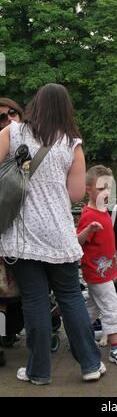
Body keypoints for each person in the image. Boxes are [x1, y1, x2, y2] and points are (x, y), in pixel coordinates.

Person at [0, 83, 104, 384]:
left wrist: (20, 170)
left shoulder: (15, 132)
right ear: (65, 109)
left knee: (34, 300)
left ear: (35, 105)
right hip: (59, 232)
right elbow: (74, 195)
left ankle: (39, 371)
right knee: (70, 296)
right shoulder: (71, 142)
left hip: (23, 234)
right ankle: (90, 364)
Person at [77, 165, 117, 366]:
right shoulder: (89, 215)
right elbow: (78, 242)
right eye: (101, 188)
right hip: (96, 272)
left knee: (92, 309)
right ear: (89, 190)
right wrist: (89, 230)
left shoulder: (104, 211)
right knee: (112, 307)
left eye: (109, 188)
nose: (106, 192)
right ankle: (116, 349)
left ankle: (78, 336)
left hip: (106, 270)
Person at [0, 97, 23, 366]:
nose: (6, 119)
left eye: (11, 114)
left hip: (16, 231)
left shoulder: (26, 145)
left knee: (5, 294)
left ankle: (5, 336)